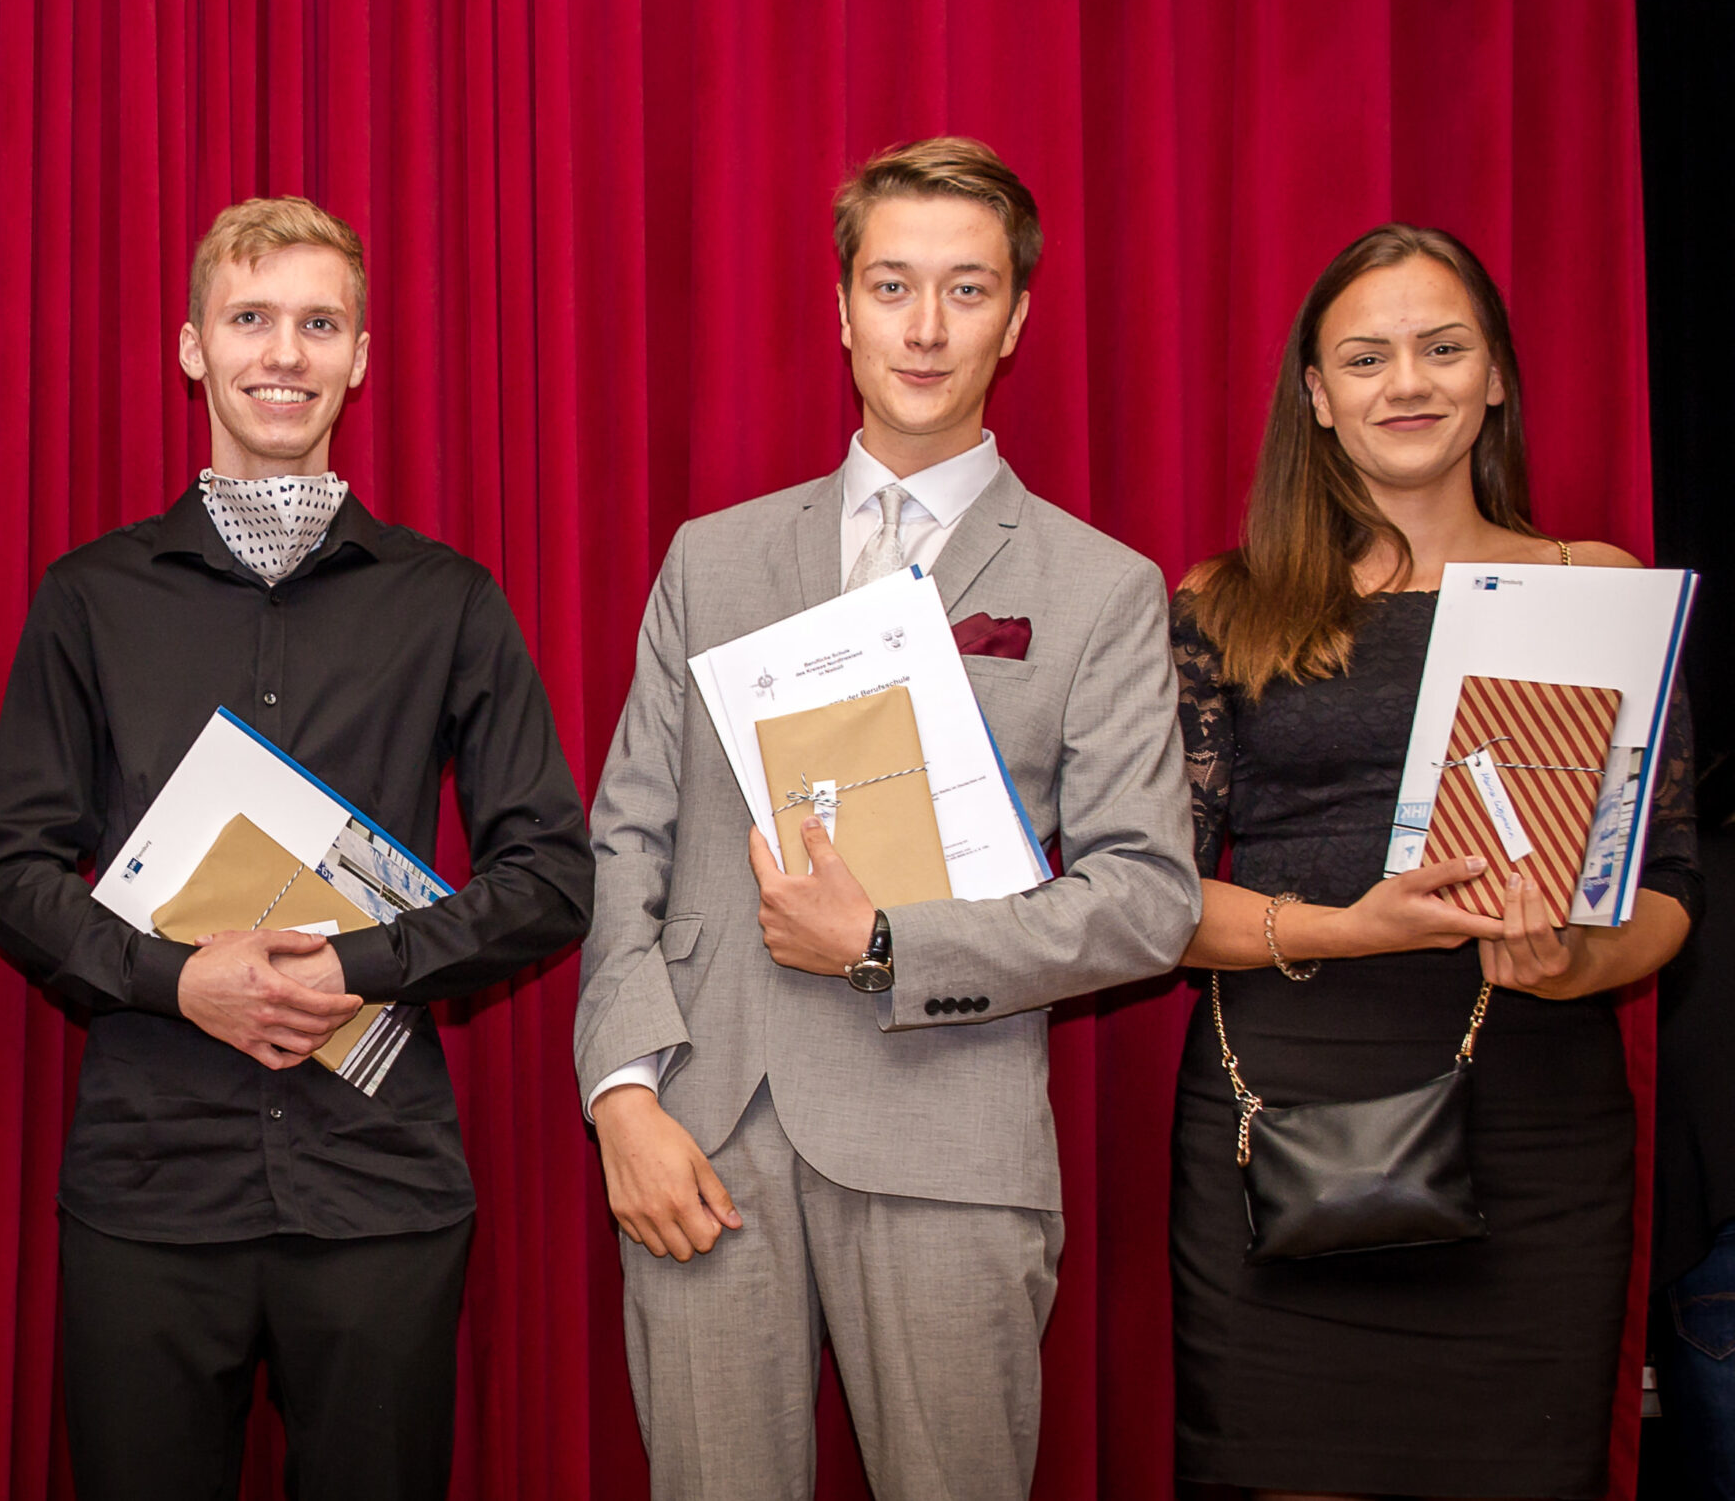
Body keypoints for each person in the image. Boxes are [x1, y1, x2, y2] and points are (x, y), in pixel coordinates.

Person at [573, 136, 1200, 1501]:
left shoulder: (1098, 586)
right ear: (842, 307)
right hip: (701, 1132)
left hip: (947, 1138)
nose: (924, 327)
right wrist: (621, 1095)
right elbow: (625, 841)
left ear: (1015, 319)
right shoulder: (712, 557)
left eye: (966, 290)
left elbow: (1148, 899)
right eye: (892, 285)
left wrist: (883, 945)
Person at [0, 196, 592, 1501]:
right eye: (250, 318)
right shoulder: (89, 596)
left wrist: (359, 964)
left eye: (319, 324)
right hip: (150, 1188)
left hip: (379, 1189)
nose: (283, 353)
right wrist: (176, 980)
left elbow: (548, 875)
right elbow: (12, 874)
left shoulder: (447, 599)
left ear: (360, 356)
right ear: (192, 345)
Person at [1167, 223, 1700, 1500]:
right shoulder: (1223, 603)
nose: (1406, 383)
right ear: (1317, 396)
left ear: (1495, 374)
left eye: (1442, 348)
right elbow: (1151, 905)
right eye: (1366, 358)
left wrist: (1569, 965)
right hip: (1280, 1121)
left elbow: (1670, 888)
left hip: (1533, 1128)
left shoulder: (1597, 588)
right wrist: (1356, 926)